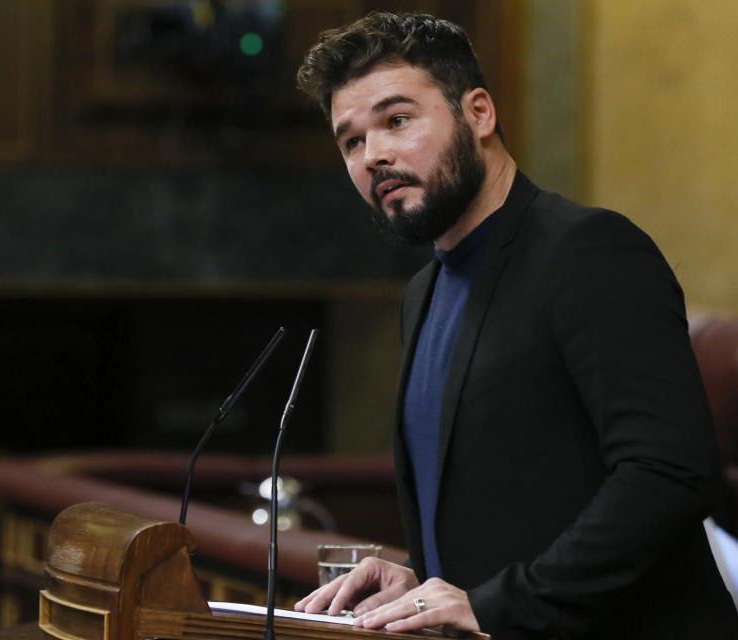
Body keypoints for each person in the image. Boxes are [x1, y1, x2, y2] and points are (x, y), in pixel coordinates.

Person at [292, 12, 738, 639]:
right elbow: (506, 499)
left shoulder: (589, 250)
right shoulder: (423, 292)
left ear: (479, 113)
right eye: (351, 141)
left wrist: (500, 603)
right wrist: (421, 578)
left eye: (397, 120)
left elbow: (670, 472)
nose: (376, 155)